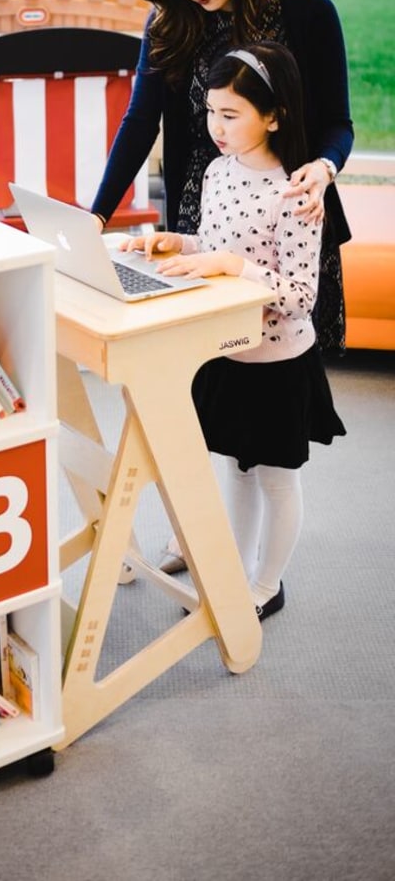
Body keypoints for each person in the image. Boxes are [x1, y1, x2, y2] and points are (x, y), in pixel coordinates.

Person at [89, 0, 353, 574]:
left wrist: (324, 168)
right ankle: (197, 534)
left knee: (269, 393)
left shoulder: (306, 13)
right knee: (198, 392)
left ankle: (262, 562)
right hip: (202, 224)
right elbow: (138, 121)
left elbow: (338, 122)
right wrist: (96, 211)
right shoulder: (171, 20)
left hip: (289, 214)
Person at [119, 41, 346, 618]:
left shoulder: (298, 194)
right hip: (224, 351)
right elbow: (218, 247)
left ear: (273, 115)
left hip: (277, 363)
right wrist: (180, 243)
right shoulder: (219, 171)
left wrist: (231, 266)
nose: (215, 127)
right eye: (211, 112)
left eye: (231, 114)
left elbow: (300, 297)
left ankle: (267, 585)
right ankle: (230, 577)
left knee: (275, 480)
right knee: (235, 471)